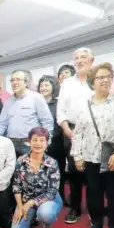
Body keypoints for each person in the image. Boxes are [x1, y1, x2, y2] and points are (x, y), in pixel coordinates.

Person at [71, 63, 114, 228]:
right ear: (92, 82)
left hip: (113, 158)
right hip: (90, 158)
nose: (105, 80)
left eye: (108, 76)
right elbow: (78, 134)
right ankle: (97, 223)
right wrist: (77, 156)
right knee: (93, 194)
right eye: (100, 77)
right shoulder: (84, 106)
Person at [57, 47, 95, 224]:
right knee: (74, 172)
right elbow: (61, 110)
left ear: (91, 60)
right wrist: (66, 129)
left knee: (94, 171)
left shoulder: (96, 80)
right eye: (76, 58)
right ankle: (75, 208)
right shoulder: (67, 83)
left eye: (83, 57)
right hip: (71, 131)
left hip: (94, 131)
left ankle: (96, 210)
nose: (79, 61)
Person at [11, 127, 63, 228]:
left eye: (41, 140)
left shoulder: (52, 163)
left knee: (45, 214)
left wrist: (31, 203)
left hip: (48, 200)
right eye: (34, 140)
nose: (38, 143)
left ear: (46, 144)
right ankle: (32, 219)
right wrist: (20, 207)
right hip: (26, 200)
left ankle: (46, 226)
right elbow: (16, 185)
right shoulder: (21, 161)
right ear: (29, 142)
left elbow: (52, 192)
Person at [0, 70, 54, 157]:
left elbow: (47, 121)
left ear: (25, 82)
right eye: (12, 80)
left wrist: (46, 141)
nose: (15, 82)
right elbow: (2, 124)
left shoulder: (36, 98)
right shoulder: (8, 101)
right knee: (13, 170)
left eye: (18, 79)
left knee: (31, 170)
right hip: (11, 144)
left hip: (30, 143)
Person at [38, 75, 68, 206]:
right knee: (42, 172)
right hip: (39, 143)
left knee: (58, 171)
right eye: (42, 85)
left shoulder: (58, 103)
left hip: (56, 142)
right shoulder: (36, 102)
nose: (43, 88)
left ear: (53, 87)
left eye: (47, 85)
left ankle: (59, 196)